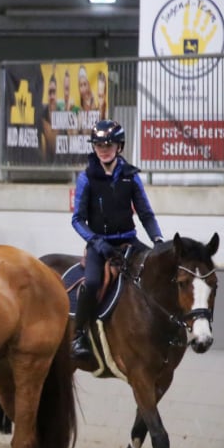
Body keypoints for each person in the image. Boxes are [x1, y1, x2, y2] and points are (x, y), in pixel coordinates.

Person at [70, 119, 164, 360]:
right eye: (99, 144)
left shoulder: (131, 177)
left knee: (159, 271)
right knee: (91, 284)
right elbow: (77, 219)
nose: (104, 149)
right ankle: (79, 335)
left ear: (119, 147)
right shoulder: (86, 178)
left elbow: (145, 214)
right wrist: (96, 242)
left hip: (129, 241)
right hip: (100, 245)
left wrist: (158, 239)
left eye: (109, 144)